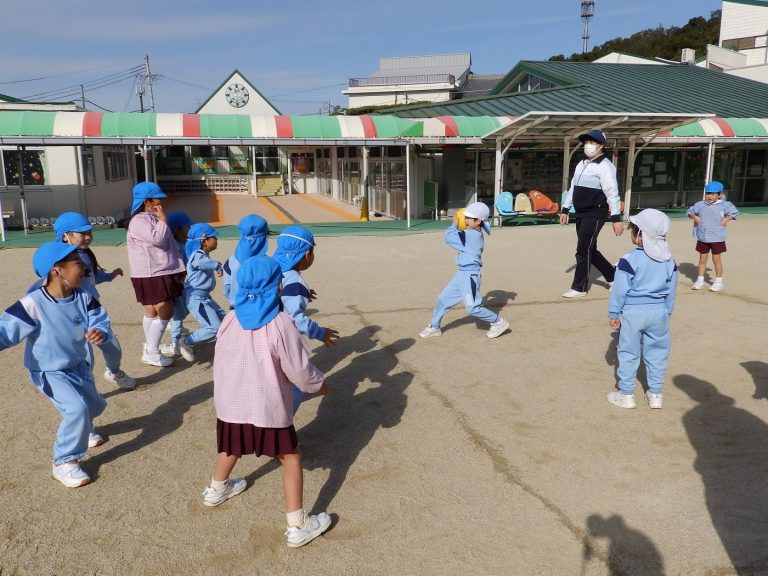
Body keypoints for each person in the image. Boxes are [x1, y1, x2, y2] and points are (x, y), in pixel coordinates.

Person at [202, 255, 332, 548]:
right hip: (266, 407)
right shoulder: (280, 323)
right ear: (276, 288)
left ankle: (216, 489)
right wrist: (319, 385)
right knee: (291, 457)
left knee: (231, 446)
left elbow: (221, 361)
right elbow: (298, 369)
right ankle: (297, 525)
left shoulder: (229, 320)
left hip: (231, 405)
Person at [0, 242, 112, 487]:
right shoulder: (33, 303)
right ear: (56, 270)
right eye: (77, 263)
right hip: (49, 371)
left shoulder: (84, 296)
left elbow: (99, 319)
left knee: (94, 406)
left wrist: (99, 330)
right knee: (77, 409)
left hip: (78, 365)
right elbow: (5, 331)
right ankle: (64, 462)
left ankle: (83, 427)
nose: (84, 267)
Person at [53, 212, 135, 390]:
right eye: (82, 233)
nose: (88, 237)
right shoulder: (59, 260)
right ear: (65, 236)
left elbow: (92, 277)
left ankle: (113, 371)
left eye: (89, 232)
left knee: (112, 346)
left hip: (93, 311)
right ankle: (85, 389)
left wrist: (109, 276)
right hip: (73, 316)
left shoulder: (85, 253)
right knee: (84, 356)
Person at [607, 209, 677, 410]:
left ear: (640, 235)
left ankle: (626, 394)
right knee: (657, 352)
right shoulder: (669, 261)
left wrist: (614, 312)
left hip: (632, 313)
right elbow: (671, 292)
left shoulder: (628, 260)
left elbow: (619, 290)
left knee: (629, 352)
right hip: (659, 312)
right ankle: (655, 393)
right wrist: (667, 312)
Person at [272, 225, 339, 413]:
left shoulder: (268, 266)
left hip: (259, 334)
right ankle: (279, 429)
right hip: (280, 338)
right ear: (308, 254)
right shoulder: (295, 282)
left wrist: (303, 294)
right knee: (292, 390)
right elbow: (297, 320)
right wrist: (320, 332)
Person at [419, 202, 509, 339]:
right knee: (443, 299)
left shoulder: (472, 235)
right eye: (465, 217)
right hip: (462, 274)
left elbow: (449, 237)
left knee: (472, 307)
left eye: (468, 218)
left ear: (478, 221)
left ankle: (498, 322)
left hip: (469, 276)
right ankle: (435, 327)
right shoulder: (471, 233)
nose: (465, 220)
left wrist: (454, 224)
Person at [126, 182, 185, 368]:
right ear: (147, 202)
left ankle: (150, 347)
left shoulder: (148, 218)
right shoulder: (139, 220)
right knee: (165, 308)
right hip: (152, 272)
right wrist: (163, 219)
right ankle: (152, 351)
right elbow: (158, 239)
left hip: (156, 271)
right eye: (158, 198)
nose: (162, 201)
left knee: (151, 309)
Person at [559, 129, 624, 298]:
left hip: (596, 213)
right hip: (580, 212)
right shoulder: (582, 163)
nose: (588, 145)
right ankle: (613, 276)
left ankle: (579, 287)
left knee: (582, 250)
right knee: (590, 249)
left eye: (592, 142)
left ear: (601, 145)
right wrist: (566, 209)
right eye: (586, 142)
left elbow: (612, 193)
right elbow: (573, 188)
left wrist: (616, 218)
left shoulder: (606, 167)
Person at [180, 223, 226, 358]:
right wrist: (217, 265)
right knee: (213, 328)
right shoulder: (197, 255)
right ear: (204, 240)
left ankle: (227, 343)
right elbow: (201, 263)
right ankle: (186, 341)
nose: (217, 240)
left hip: (205, 298)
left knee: (224, 320)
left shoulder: (203, 254)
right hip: (197, 299)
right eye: (214, 237)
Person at [687, 180, 739, 292]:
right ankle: (700, 280)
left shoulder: (725, 205)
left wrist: (726, 219)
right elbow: (690, 212)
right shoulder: (700, 205)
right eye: (708, 193)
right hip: (703, 236)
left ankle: (718, 282)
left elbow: (734, 213)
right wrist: (695, 217)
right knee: (702, 259)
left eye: (713, 194)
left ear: (719, 195)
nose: (710, 196)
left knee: (716, 259)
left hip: (717, 237)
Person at [160, 211, 193, 358]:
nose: (189, 229)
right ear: (177, 229)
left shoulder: (185, 243)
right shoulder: (175, 246)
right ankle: (176, 343)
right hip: (175, 285)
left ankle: (174, 327)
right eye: (187, 227)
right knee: (180, 312)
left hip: (182, 284)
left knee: (184, 310)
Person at [222, 214, 270, 309]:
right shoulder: (268, 263)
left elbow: (227, 289)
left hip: (237, 309)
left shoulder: (231, 261)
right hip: (262, 309)